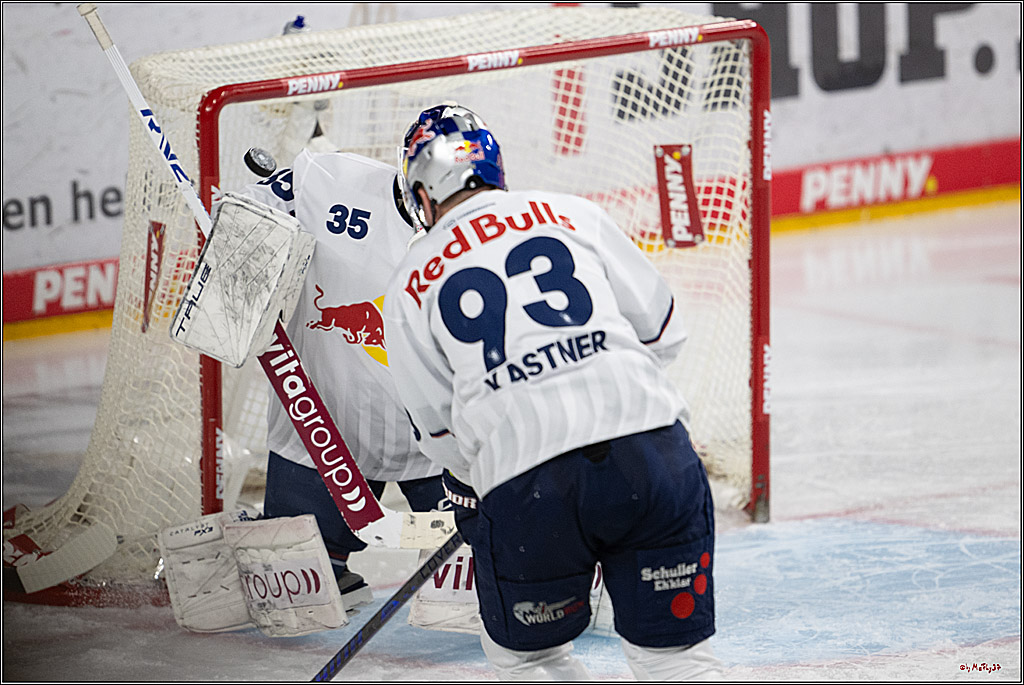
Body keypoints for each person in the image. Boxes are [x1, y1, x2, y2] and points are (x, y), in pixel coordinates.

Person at [383, 104, 725, 680]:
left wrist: (482, 479)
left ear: (421, 193)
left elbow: (439, 435)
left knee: (531, 662)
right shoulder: (572, 213)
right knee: (679, 661)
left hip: (528, 483)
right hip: (651, 453)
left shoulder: (409, 284)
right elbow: (666, 331)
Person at [229, 139, 446, 610]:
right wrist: (244, 236)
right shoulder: (333, 185)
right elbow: (253, 208)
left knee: (487, 580)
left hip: (436, 442)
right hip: (323, 428)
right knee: (295, 592)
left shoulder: (491, 236)